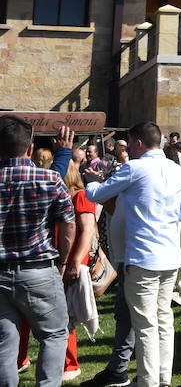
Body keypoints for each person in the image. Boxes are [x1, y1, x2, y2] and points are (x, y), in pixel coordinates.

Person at [86, 122, 181, 387]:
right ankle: (162, 378)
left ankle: (149, 382)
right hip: (170, 256)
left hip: (143, 257)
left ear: (137, 143)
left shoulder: (134, 168)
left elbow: (98, 194)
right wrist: (167, 218)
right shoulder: (177, 170)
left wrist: (90, 181)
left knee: (146, 324)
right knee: (162, 319)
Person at [0, 117, 75, 387]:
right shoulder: (50, 179)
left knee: (4, 341)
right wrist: (64, 261)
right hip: (38, 269)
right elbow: (68, 223)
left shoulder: (48, 178)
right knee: (54, 335)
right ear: (29, 149)